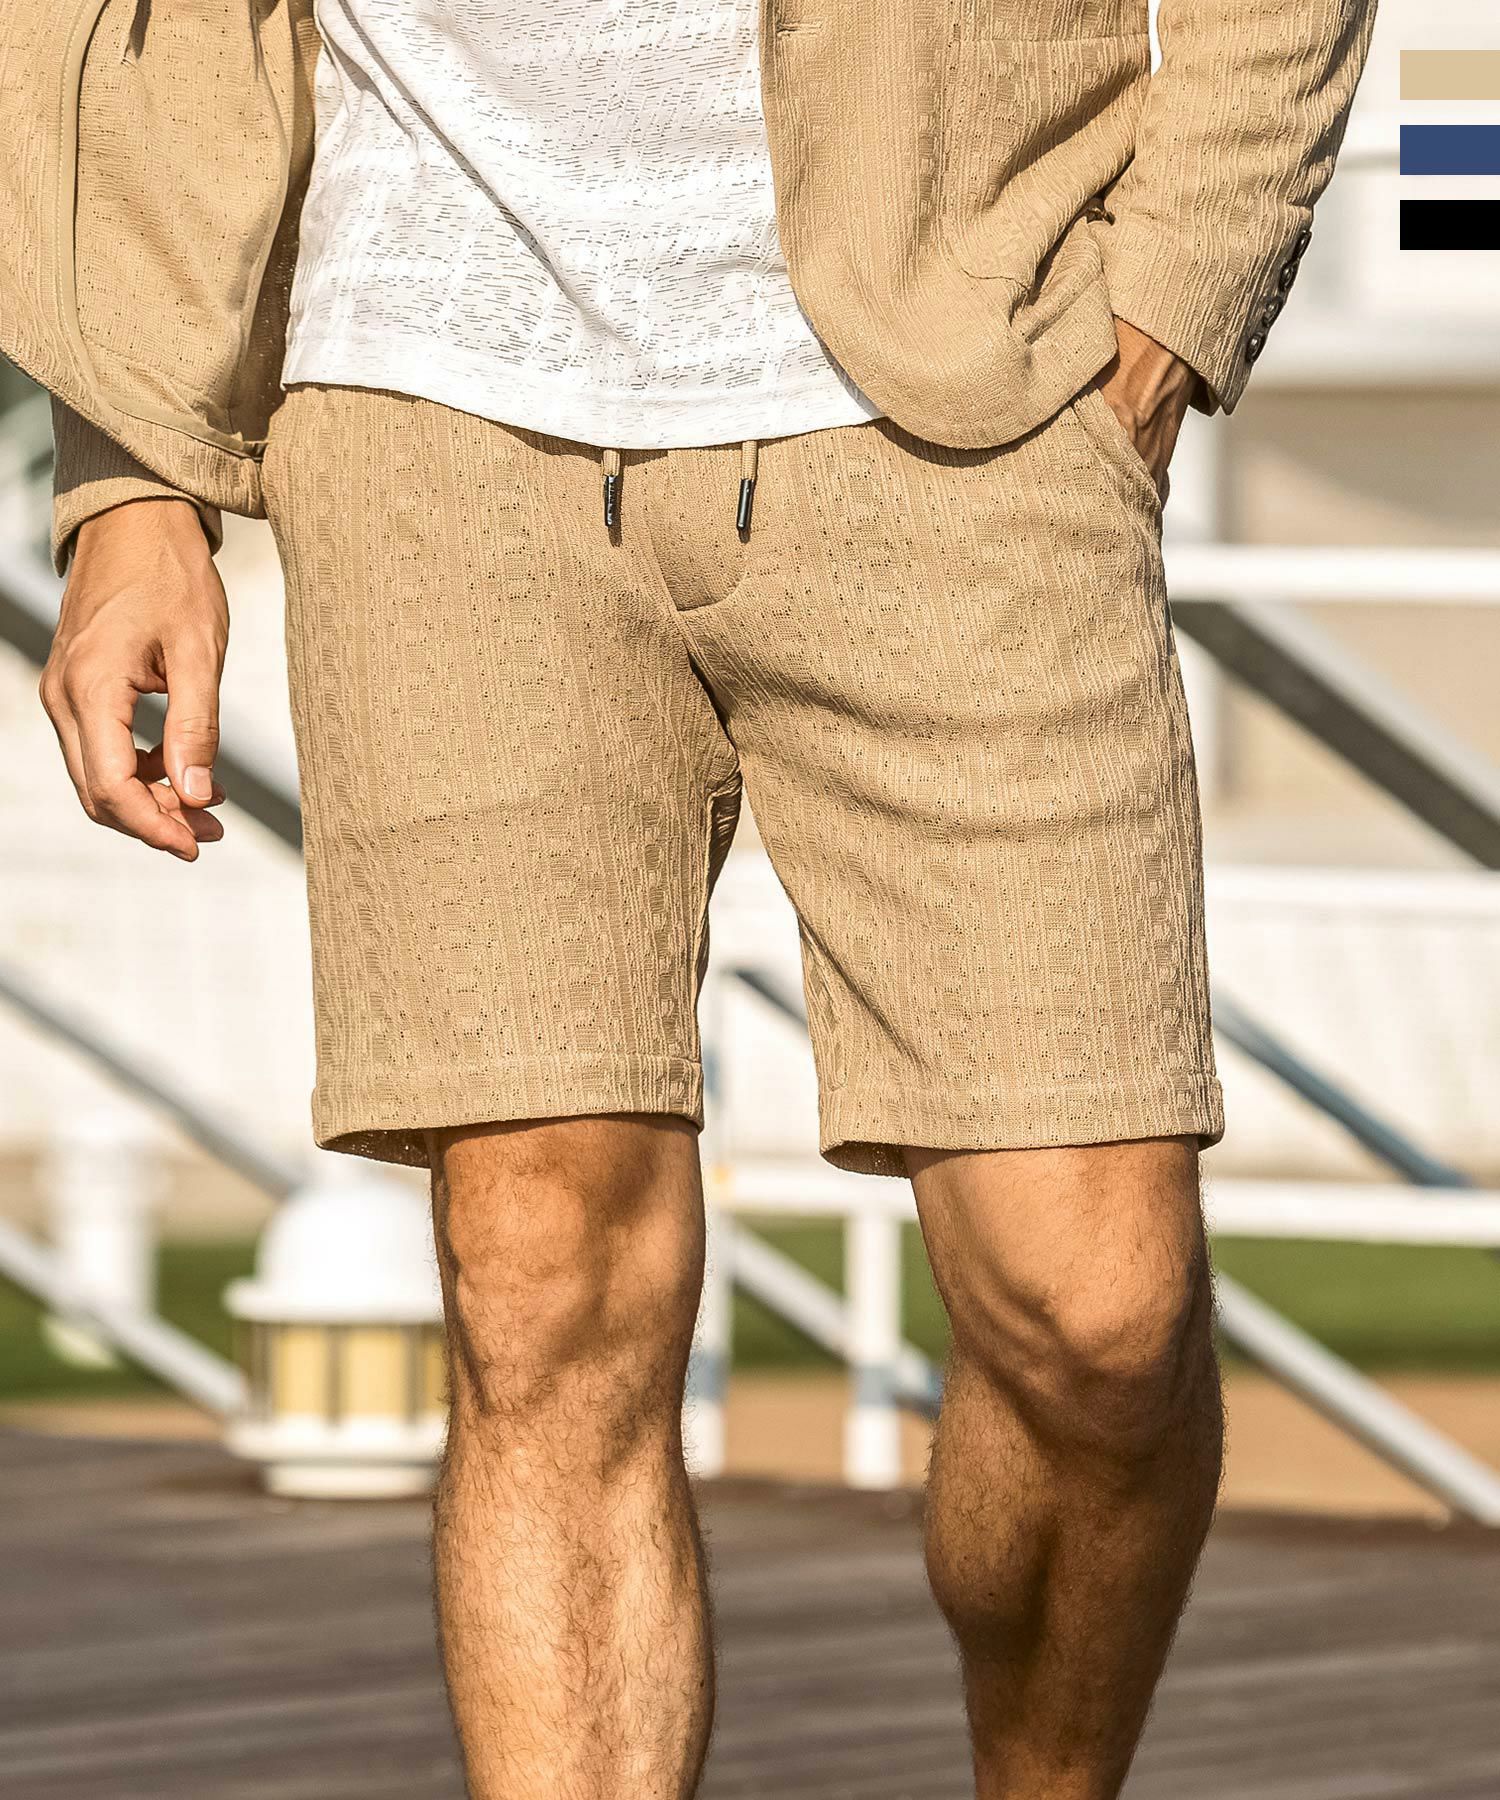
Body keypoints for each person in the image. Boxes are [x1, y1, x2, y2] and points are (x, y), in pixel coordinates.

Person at [4, 0, 1372, 1792]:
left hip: (965, 365)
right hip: (429, 405)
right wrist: (128, 473)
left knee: (1098, 1311)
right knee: (541, 1291)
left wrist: (1174, 300)